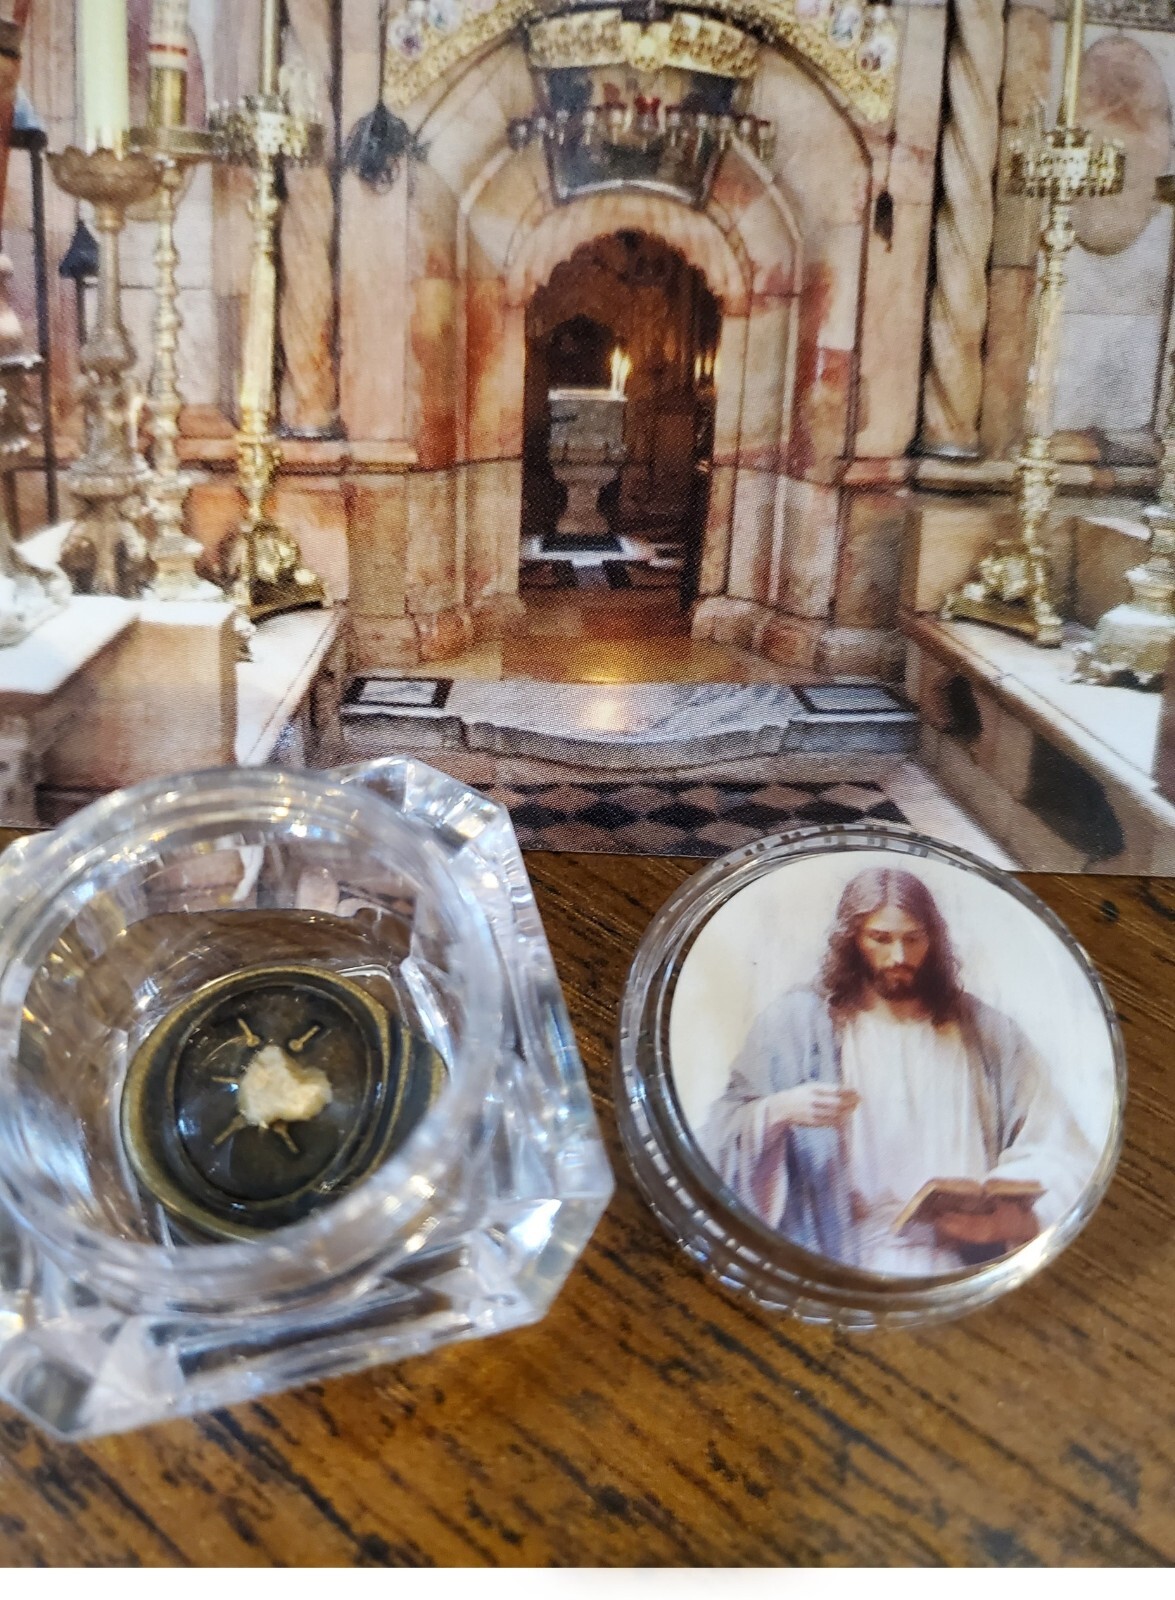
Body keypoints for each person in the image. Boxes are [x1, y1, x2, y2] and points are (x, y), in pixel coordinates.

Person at [700, 868, 1095, 1275]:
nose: (899, 958)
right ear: (852, 940)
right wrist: (778, 1110)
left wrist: (1006, 1219)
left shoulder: (988, 1032)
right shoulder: (794, 1024)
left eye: (913, 939)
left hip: (965, 1262)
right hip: (844, 1260)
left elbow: (1061, 1147)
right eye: (881, 940)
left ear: (933, 939)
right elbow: (715, 1141)